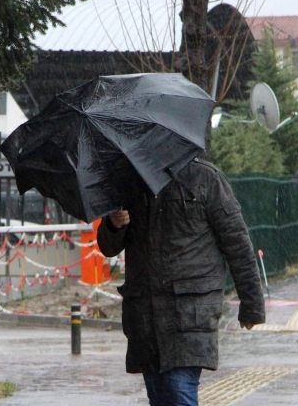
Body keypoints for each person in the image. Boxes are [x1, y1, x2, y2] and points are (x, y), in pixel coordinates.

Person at [97, 158, 265, 406]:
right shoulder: (130, 181)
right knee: (160, 397)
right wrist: (113, 224)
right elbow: (108, 247)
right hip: (145, 316)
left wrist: (251, 304)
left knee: (178, 393)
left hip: (189, 312)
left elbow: (237, 244)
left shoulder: (206, 179)